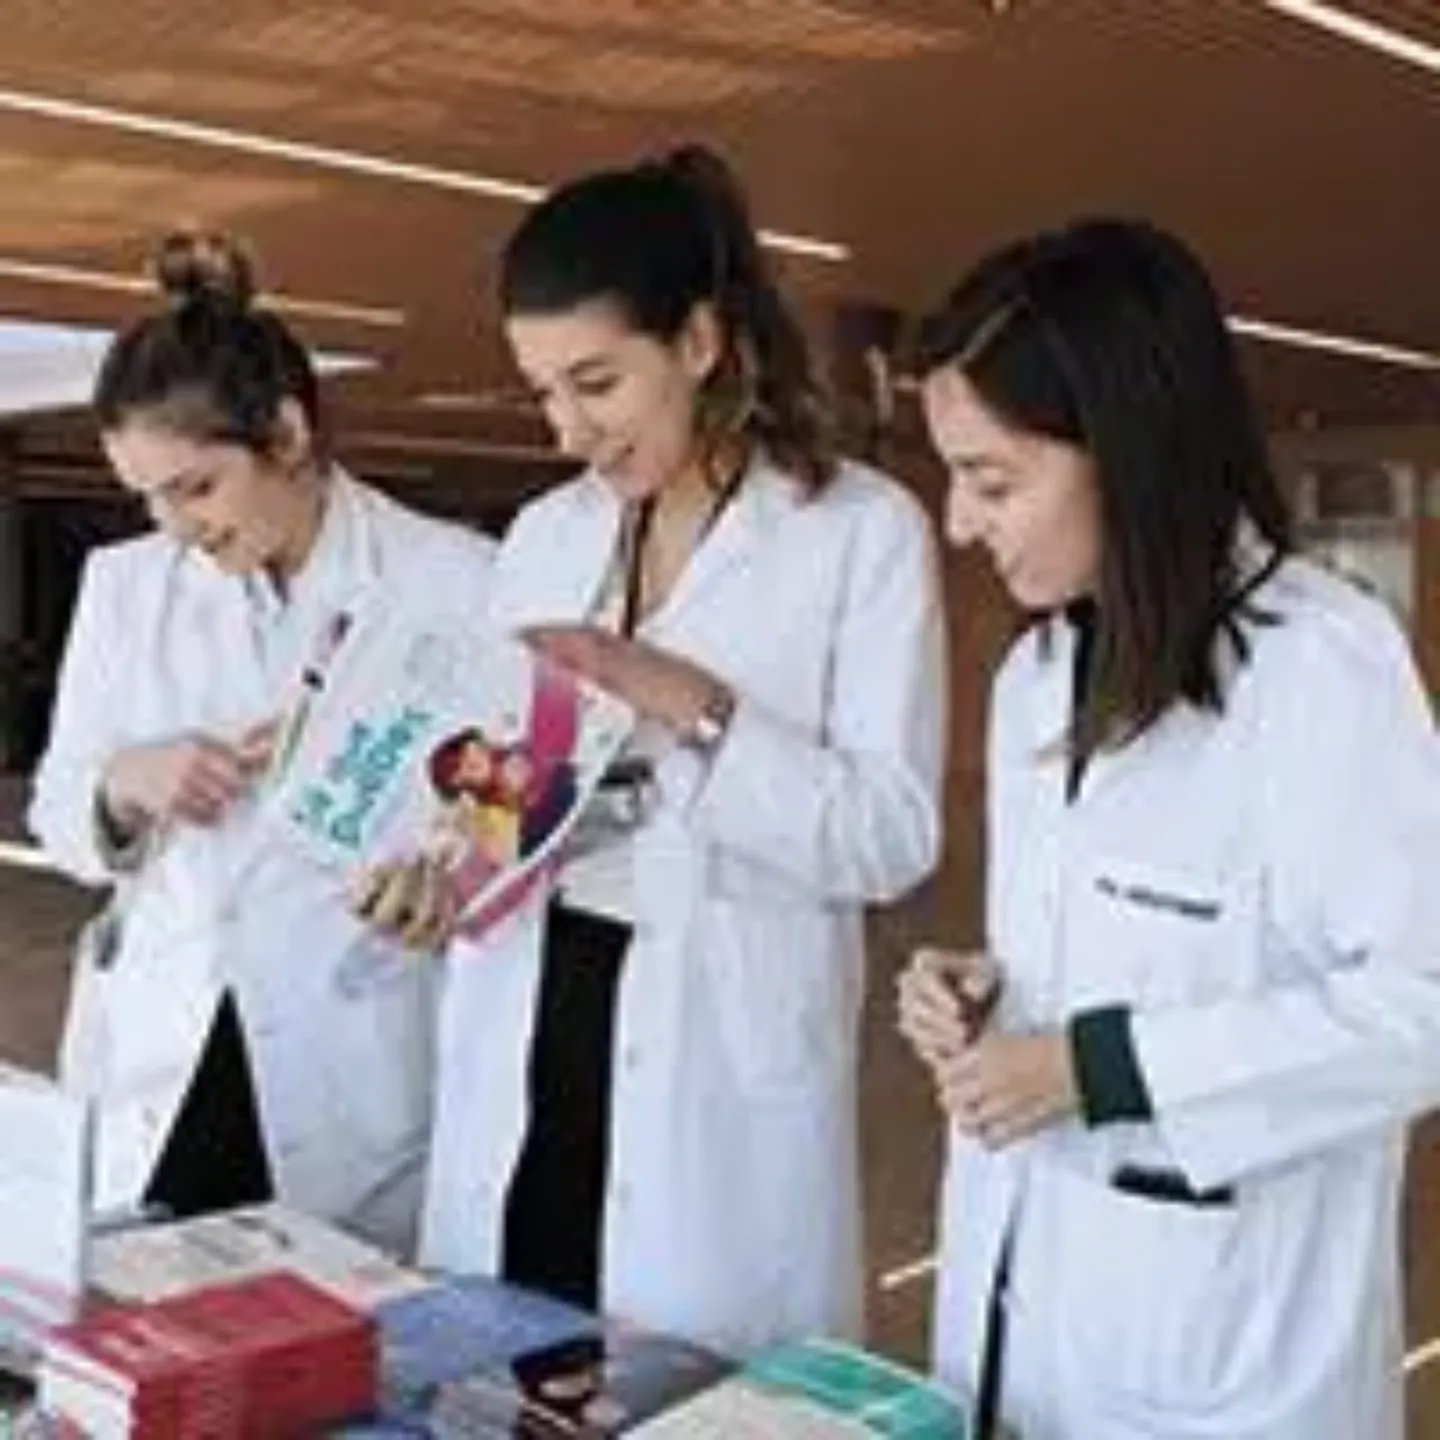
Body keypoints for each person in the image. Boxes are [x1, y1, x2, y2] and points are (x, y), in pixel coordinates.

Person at [360, 144, 947, 1351]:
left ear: (698, 341)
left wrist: (688, 700)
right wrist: (438, 870)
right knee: (509, 1355)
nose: (569, 428)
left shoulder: (859, 534)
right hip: (533, 1010)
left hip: (716, 1059)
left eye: (597, 383)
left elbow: (890, 839)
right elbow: (497, 784)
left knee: (688, 1387)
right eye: (542, 391)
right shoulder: (541, 535)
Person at [897, 218, 1440, 1439]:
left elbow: (1423, 1007)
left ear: (1129, 453)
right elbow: (1101, 951)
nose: (958, 523)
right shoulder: (1037, 673)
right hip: (1017, 1305)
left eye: (992, 480)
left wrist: (1100, 1067)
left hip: (1225, 1360)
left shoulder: (1321, 671)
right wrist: (984, 995)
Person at [29, 231, 495, 1252]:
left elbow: (502, 810)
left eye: (196, 487)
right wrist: (124, 783)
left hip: (353, 1043)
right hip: (168, 1037)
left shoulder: (456, 584)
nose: (175, 526)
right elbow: (57, 810)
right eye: (147, 495)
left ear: (285, 433)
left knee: (331, 1352)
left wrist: (446, 879)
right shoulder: (126, 587)